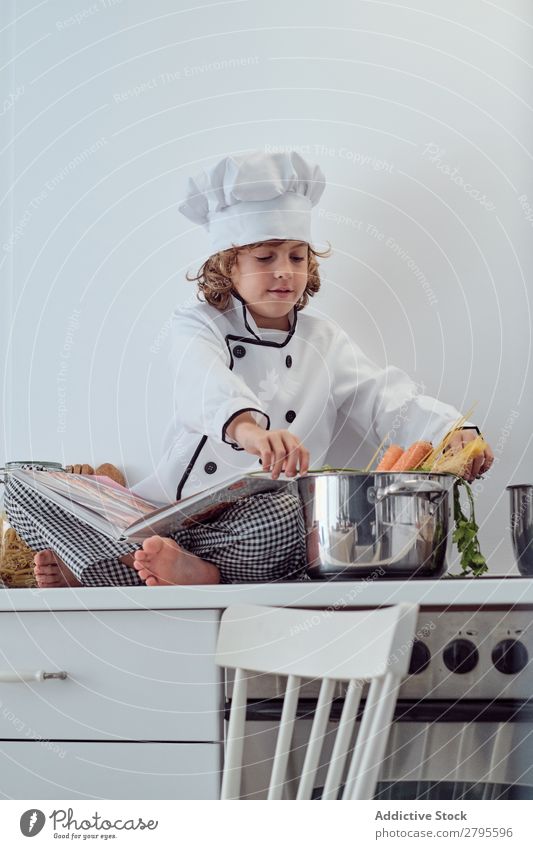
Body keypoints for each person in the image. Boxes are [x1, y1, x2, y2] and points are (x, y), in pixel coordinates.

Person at [5, 151, 494, 588]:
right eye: (265, 257)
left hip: (252, 524)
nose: (284, 270)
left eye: (297, 257)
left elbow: (383, 395)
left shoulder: (324, 341)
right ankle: (127, 562)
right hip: (164, 514)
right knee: (21, 482)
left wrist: (452, 430)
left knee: (292, 517)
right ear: (227, 267)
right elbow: (202, 377)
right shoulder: (197, 323)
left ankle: (179, 573)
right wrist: (248, 430)